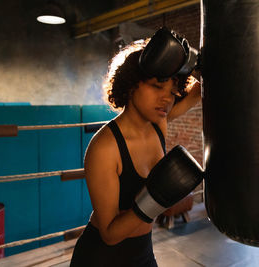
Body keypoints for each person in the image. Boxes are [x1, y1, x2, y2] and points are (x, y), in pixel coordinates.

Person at [70, 30, 202, 267]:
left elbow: (200, 90)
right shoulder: (105, 148)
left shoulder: (158, 124)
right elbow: (109, 234)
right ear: (132, 85)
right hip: (101, 258)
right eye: (156, 86)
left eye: (172, 92)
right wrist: (154, 199)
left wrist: (190, 60)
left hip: (142, 253)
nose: (166, 99)